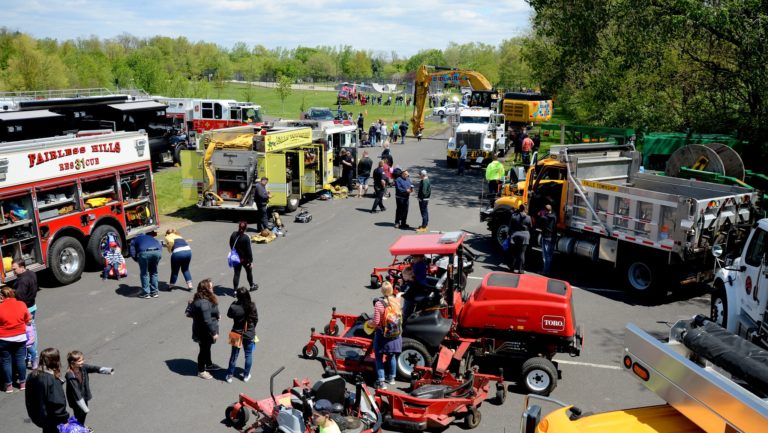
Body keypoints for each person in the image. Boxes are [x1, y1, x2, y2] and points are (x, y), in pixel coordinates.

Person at [64, 350, 114, 425]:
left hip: (84, 396)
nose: (82, 362)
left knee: (83, 414)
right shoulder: (70, 375)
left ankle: (80, 426)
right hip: (77, 401)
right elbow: (76, 392)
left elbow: (94, 368)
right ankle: (77, 428)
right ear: (72, 363)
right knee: (79, 414)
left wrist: (108, 370)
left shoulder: (83, 368)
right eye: (79, 361)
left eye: (82, 360)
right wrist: (84, 407)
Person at [26, 348, 69, 433]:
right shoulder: (52, 379)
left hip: (40, 417)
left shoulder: (32, 375)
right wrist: (64, 419)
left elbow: (29, 399)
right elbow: (57, 403)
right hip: (53, 420)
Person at [368, 282, 402, 389]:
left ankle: (381, 382)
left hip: (383, 335)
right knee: (392, 355)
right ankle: (392, 378)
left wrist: (369, 323)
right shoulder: (396, 301)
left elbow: (376, 322)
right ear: (391, 290)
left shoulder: (379, 304)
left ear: (382, 291)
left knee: (378, 357)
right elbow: (398, 298)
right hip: (396, 334)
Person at [225, 287, 259, 383]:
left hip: (236, 333)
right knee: (248, 355)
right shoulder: (252, 306)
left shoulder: (234, 307)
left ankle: (229, 375)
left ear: (238, 296)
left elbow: (229, 315)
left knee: (234, 355)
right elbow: (256, 319)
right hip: (249, 334)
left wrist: (232, 304)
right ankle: (246, 375)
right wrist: (251, 328)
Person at [0, 286, 31, 393]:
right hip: (20, 338)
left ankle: (8, 386)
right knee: (20, 360)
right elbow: (28, 320)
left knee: (6, 361)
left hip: (4, 339)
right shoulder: (21, 304)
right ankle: (23, 383)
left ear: (3, 296)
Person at [189, 278, 221, 379]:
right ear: (205, 289)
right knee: (203, 350)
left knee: (206, 348)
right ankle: (201, 371)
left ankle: (209, 364)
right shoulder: (203, 303)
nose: (213, 288)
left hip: (202, 330)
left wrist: (217, 315)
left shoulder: (201, 299)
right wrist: (214, 333)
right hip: (205, 332)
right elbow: (207, 321)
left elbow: (189, 313)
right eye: (211, 287)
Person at [12, 259, 38, 369]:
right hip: (32, 307)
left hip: (25, 310)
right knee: (32, 332)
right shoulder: (31, 273)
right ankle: (31, 357)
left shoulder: (22, 281)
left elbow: (20, 297)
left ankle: (33, 357)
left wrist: (12, 293)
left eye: (15, 269)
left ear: (22, 267)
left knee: (28, 335)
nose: (13, 271)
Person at [129, 233, 162, 299]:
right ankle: (154, 292)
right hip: (157, 252)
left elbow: (132, 252)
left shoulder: (134, 240)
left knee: (144, 273)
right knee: (154, 272)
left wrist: (137, 260)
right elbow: (159, 244)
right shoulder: (150, 237)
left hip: (144, 253)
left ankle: (146, 293)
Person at [229, 221, 257, 292]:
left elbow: (231, 244)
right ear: (246, 228)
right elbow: (249, 252)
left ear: (238, 227)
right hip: (245, 259)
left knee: (236, 274)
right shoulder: (246, 238)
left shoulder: (233, 234)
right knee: (249, 272)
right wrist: (250, 261)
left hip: (236, 258)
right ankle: (251, 286)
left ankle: (235, 291)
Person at [508, 204, 532, 274]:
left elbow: (510, 226)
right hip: (524, 237)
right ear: (525, 209)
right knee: (522, 253)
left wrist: (509, 235)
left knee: (513, 253)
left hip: (514, 236)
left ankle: (512, 268)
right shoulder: (528, 217)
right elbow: (530, 227)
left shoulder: (514, 216)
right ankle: (521, 270)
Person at [538, 204, 557, 275]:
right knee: (550, 255)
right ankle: (548, 270)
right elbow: (553, 212)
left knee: (545, 256)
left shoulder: (544, 218)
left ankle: (545, 271)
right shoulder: (554, 216)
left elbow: (540, 216)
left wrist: (541, 213)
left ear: (545, 211)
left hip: (546, 237)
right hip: (553, 237)